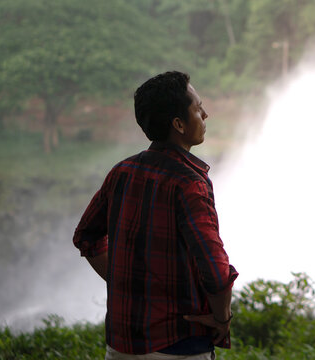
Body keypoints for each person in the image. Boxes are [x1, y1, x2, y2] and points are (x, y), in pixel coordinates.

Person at [73, 71, 238, 360]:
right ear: (179, 125)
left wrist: (124, 282)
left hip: (121, 346)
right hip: (178, 347)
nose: (206, 114)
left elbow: (87, 236)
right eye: (198, 109)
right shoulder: (190, 183)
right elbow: (215, 270)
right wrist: (222, 319)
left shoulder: (122, 172)